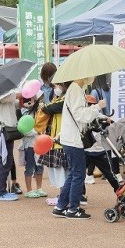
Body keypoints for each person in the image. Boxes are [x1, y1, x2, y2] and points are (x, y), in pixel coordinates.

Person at [52, 76, 107, 220]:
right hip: (73, 138)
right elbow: (80, 115)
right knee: (79, 174)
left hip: (70, 137)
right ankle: (73, 209)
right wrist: (97, 107)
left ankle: (61, 206)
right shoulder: (76, 90)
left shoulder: (75, 89)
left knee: (74, 173)